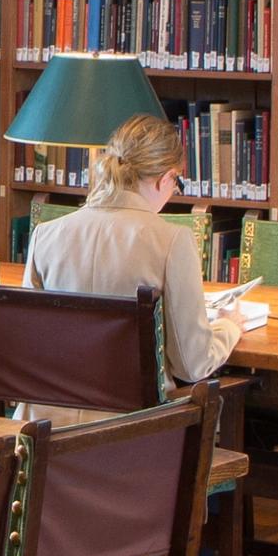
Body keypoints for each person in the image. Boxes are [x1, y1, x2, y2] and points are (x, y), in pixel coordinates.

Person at [24, 110, 245, 387]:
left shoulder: (45, 235)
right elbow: (193, 364)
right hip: (133, 424)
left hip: (47, 419)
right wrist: (229, 327)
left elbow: (29, 343)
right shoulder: (172, 240)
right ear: (165, 178)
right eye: (176, 184)